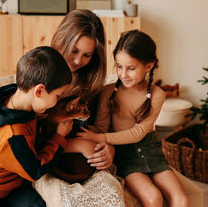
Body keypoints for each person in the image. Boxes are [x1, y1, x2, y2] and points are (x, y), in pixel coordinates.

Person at [77, 30, 189, 207]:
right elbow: (101, 127)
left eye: (131, 68)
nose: (123, 74)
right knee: (153, 198)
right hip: (125, 154)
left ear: (149, 66)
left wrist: (100, 138)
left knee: (182, 200)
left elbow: (139, 132)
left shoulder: (157, 94)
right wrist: (87, 134)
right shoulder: (108, 91)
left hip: (150, 149)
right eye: (119, 66)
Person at [0, 46, 73, 207]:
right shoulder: (13, 135)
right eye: (57, 95)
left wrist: (36, 116)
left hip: (13, 185)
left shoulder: (15, 101)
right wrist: (59, 137)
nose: (57, 101)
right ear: (39, 91)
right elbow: (35, 171)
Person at [50, 9, 115, 169]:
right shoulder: (40, 76)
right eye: (74, 51)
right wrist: (77, 145)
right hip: (48, 159)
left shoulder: (92, 86)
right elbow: (32, 141)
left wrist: (110, 150)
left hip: (82, 162)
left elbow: (101, 132)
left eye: (87, 55)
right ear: (61, 42)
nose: (78, 61)